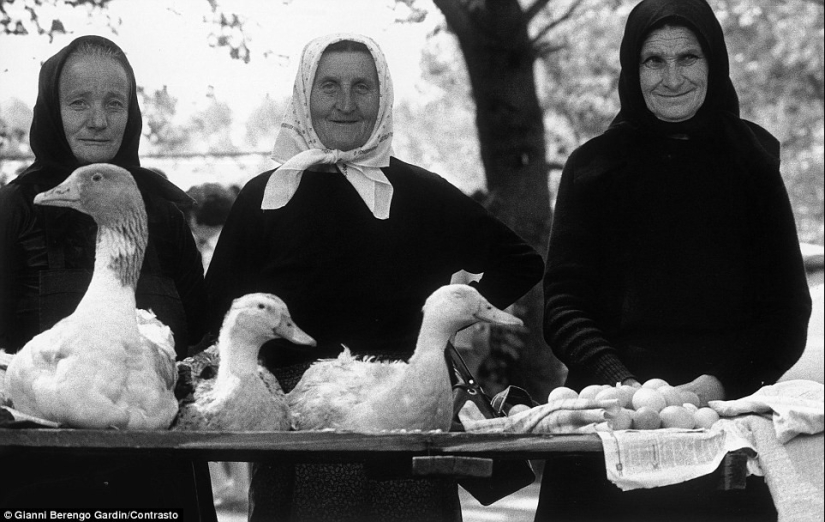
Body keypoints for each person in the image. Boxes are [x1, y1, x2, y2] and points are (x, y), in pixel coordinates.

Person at [205, 33, 544, 522]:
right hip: (302, 423)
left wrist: (446, 321)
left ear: (383, 95)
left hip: (403, 411)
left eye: (362, 87)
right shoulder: (265, 198)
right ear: (305, 94)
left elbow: (521, 260)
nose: (346, 103)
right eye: (329, 87)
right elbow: (218, 309)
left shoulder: (421, 194)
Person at [537, 0, 812, 520]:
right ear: (631, 69)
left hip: (722, 419)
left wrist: (709, 387)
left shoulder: (753, 163)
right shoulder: (593, 167)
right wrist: (626, 389)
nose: (672, 77)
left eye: (688, 58)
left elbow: (786, 313)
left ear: (714, 62)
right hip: (609, 420)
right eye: (653, 61)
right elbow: (565, 306)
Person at [0, 35, 215, 519]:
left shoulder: (163, 213)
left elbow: (201, 336)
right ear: (52, 110)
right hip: (40, 485)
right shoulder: (15, 211)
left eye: (114, 103)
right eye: (79, 102)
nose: (98, 120)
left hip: (160, 481)